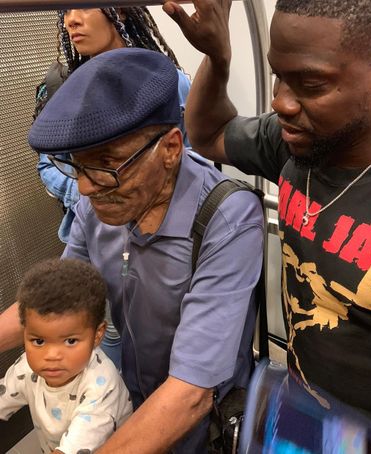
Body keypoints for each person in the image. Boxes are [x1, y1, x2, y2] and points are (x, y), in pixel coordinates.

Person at [1, 47, 265, 453]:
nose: (86, 187)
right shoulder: (98, 206)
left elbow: (191, 392)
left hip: (199, 426)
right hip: (129, 405)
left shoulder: (226, 218)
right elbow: (57, 301)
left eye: (107, 164)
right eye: (77, 166)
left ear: (171, 148)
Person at [162, 0, 371, 451]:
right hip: (298, 413)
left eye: (310, 83)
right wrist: (219, 57)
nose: (281, 102)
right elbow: (208, 133)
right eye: (278, 75)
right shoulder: (297, 143)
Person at [35, 7, 192, 244]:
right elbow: (48, 164)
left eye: (86, 6)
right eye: (65, 11)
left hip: (162, 235)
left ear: (120, 11)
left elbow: (189, 156)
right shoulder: (64, 89)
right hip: (93, 237)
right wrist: (89, 192)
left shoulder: (167, 82)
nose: (72, 20)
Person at [0, 258, 133, 454]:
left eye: (70, 341)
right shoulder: (27, 369)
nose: (51, 356)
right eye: (38, 341)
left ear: (97, 335)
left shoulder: (102, 387)